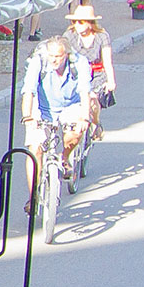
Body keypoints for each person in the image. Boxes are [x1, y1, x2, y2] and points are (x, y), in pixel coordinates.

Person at [21, 32, 94, 207]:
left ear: (66, 55)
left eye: (58, 57)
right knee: (35, 150)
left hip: (70, 105)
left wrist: (84, 117)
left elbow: (85, 92)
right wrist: (27, 116)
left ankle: (65, 156)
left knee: (75, 133)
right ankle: (33, 196)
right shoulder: (39, 61)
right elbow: (29, 90)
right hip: (42, 107)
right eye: (51, 56)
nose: (54, 60)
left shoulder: (79, 63)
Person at [65, 2, 118, 140]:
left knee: (93, 100)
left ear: (90, 23)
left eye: (81, 22)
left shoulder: (101, 36)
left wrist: (111, 81)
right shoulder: (70, 35)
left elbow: (107, 60)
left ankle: (95, 123)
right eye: (75, 21)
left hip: (96, 74)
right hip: (77, 73)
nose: (77, 25)